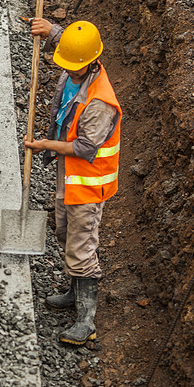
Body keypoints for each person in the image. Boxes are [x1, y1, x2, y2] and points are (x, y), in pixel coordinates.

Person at [25, 18, 122, 346]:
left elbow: (84, 147)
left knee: (81, 246)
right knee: (65, 232)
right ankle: (73, 290)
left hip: (88, 181)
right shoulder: (80, 65)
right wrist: (50, 30)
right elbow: (71, 43)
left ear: (90, 63)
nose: (70, 70)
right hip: (70, 175)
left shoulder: (100, 103)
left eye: (74, 67)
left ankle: (86, 320)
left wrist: (45, 145)